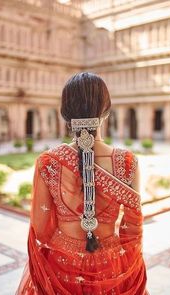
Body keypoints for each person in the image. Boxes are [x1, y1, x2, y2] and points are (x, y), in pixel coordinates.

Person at [16, 72, 149, 295]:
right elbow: (132, 230)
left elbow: (40, 229)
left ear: (65, 114)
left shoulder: (48, 162)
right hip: (111, 267)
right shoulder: (127, 162)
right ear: (105, 112)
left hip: (60, 267)